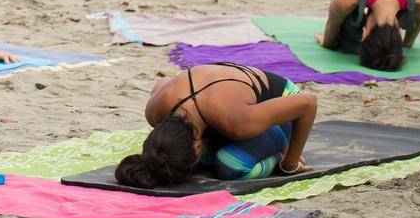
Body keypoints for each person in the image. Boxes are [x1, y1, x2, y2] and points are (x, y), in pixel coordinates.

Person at [115, 62, 318, 189]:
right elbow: (163, 83)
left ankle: (277, 153)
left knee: (231, 165)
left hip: (280, 104)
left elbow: (308, 103)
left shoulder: (237, 123)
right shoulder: (155, 111)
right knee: (171, 161)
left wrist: (290, 162)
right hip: (221, 107)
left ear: (197, 145)